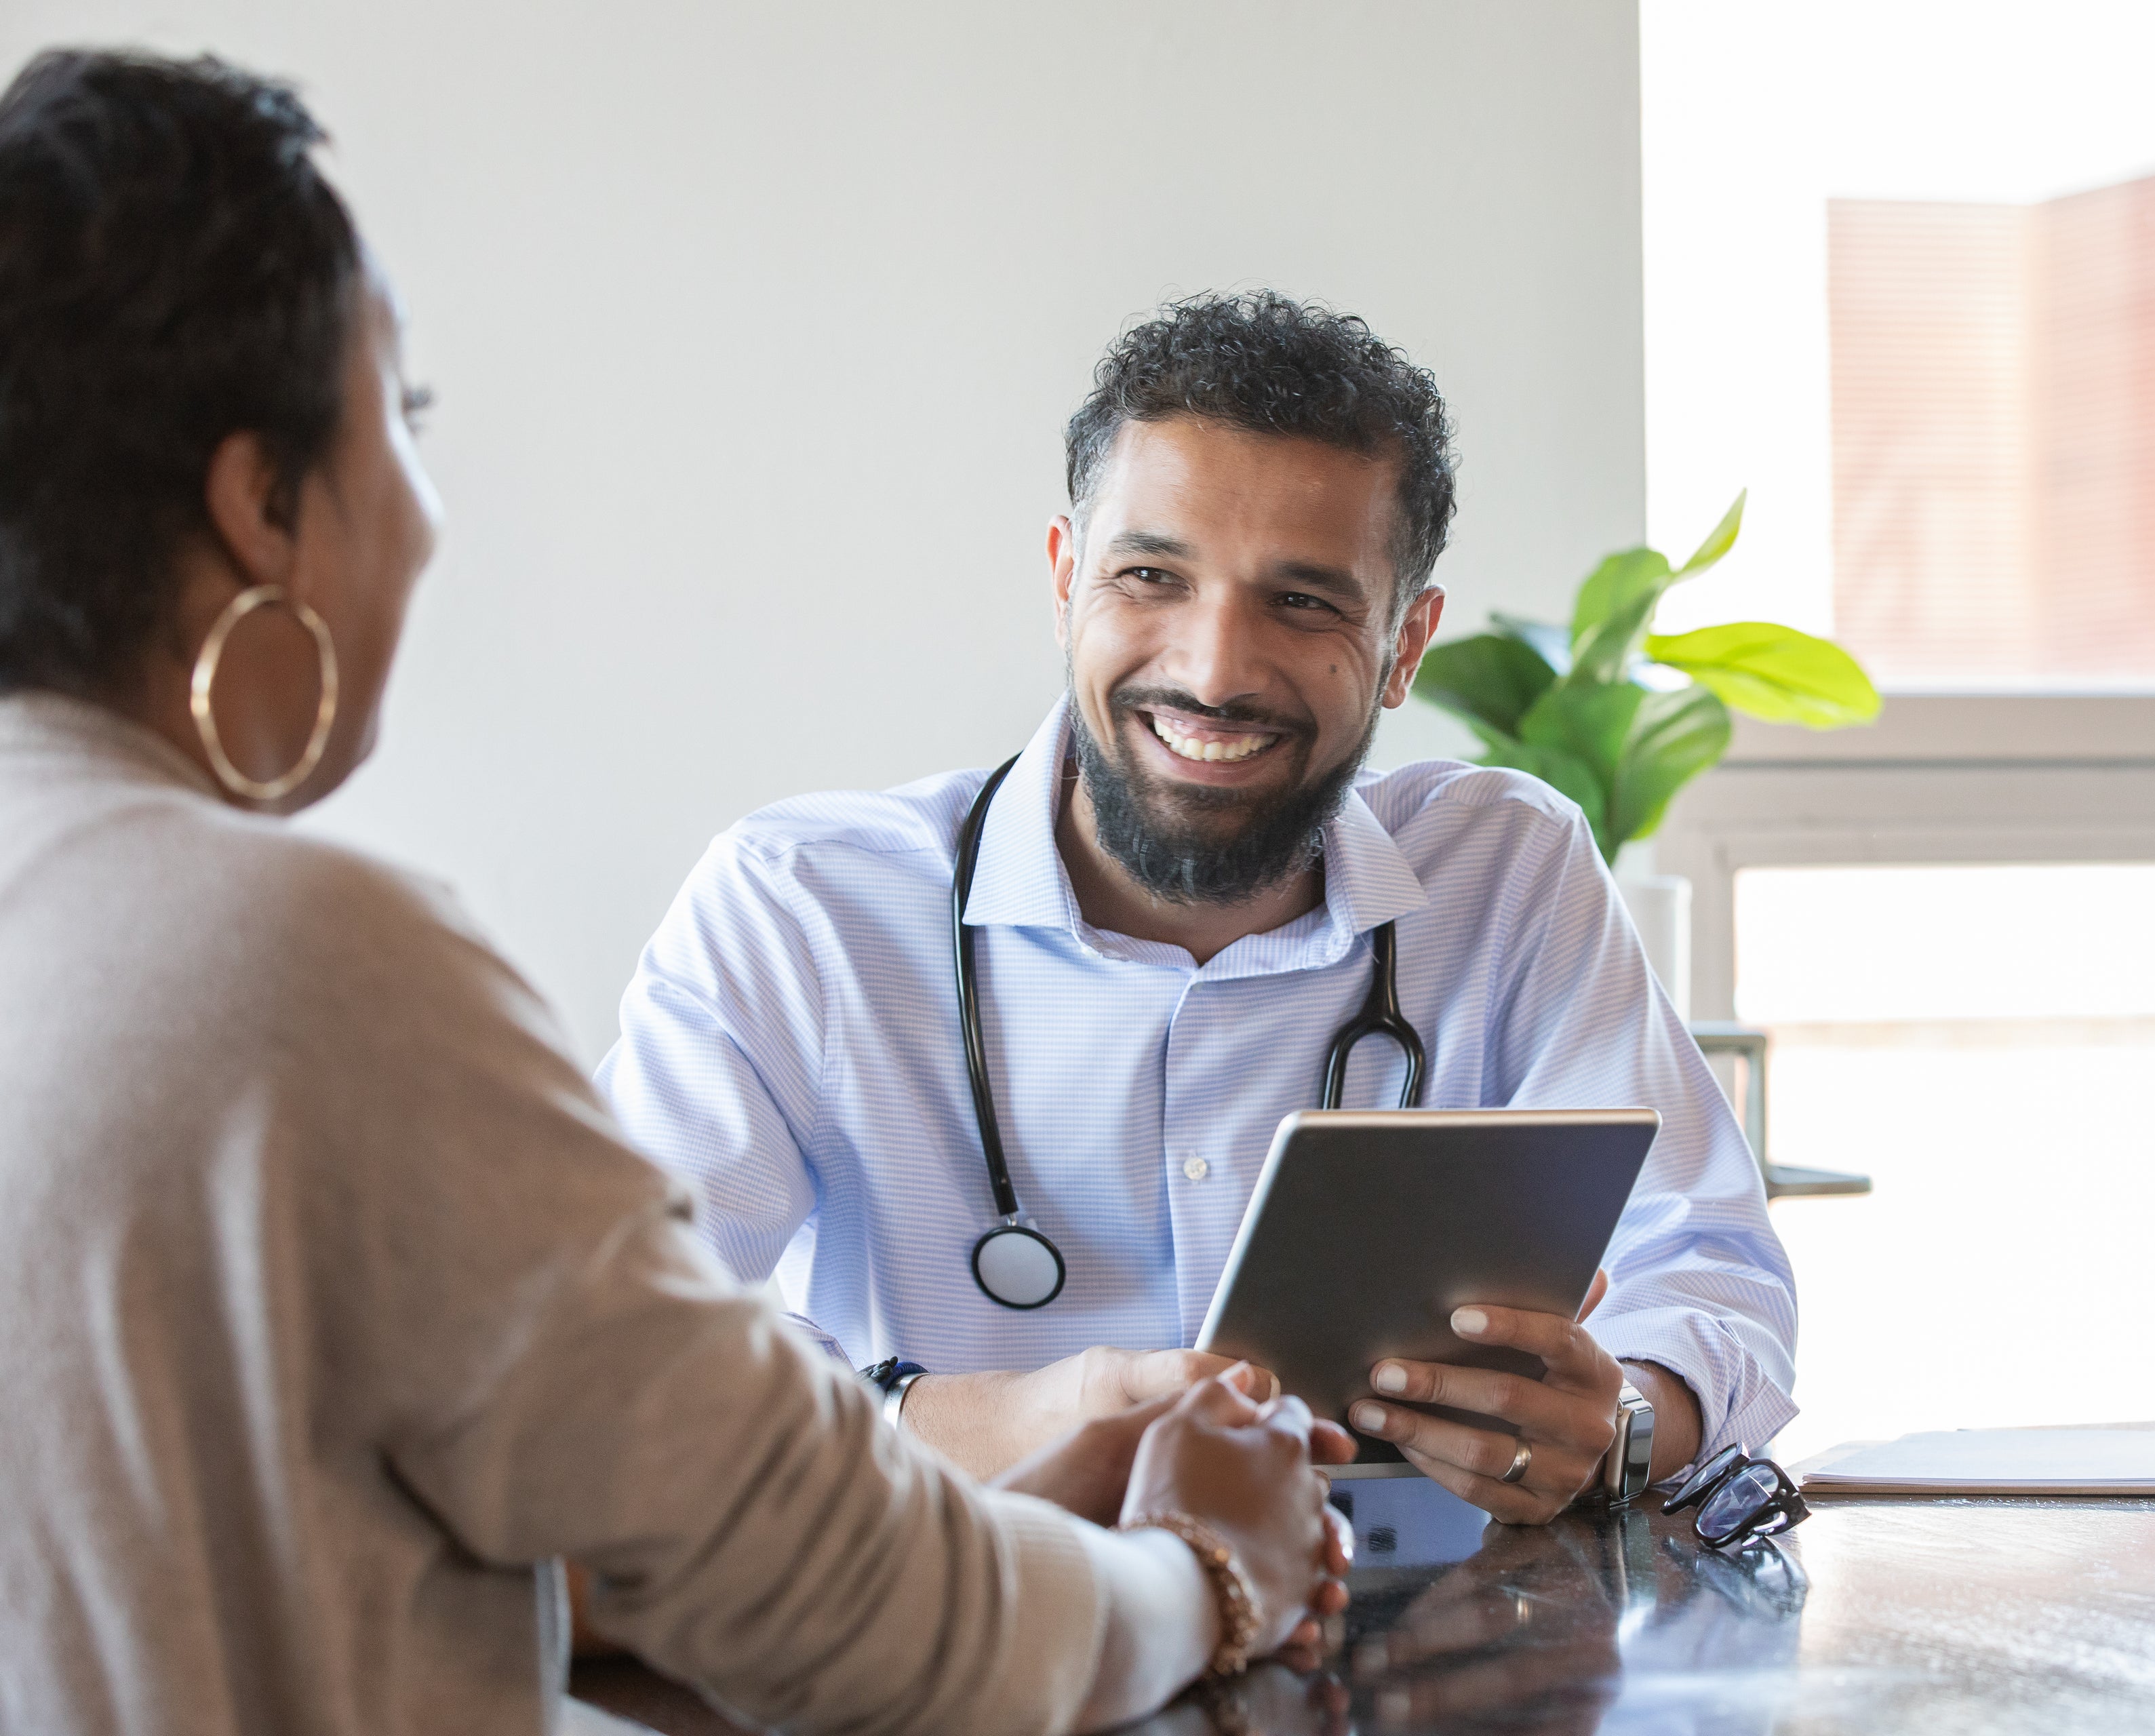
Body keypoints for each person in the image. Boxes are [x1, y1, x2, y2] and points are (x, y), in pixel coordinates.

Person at [0, 48, 1345, 1736]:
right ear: (262, 502)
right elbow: (870, 1619)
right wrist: (1208, 1565)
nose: (423, 517)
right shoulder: (307, 962)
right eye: (401, 423)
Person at [599, 292, 1801, 1523]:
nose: (1215, 669)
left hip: (1421, 1654)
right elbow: (613, 1340)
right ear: (1067, 578)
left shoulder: (1507, 875)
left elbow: (1713, 1270)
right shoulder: (801, 909)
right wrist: (965, 1421)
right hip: (966, 1644)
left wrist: (1628, 1415)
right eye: (1151, 576)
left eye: (1305, 602)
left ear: (1406, 642)